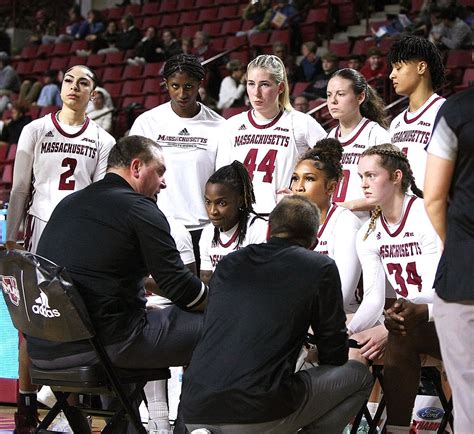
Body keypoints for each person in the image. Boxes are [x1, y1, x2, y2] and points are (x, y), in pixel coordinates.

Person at [29, 135, 207, 433]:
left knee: (143, 319)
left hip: (44, 349)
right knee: (220, 327)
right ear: (137, 167)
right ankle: (189, 429)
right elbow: (182, 290)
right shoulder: (140, 209)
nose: (163, 183)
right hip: (103, 346)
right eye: (160, 171)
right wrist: (224, 302)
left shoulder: (68, 204)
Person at [181, 195, 373, 433]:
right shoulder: (319, 267)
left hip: (192, 409)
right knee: (359, 376)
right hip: (255, 411)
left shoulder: (229, 262)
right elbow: (334, 353)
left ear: (269, 229)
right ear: (313, 242)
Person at [6, 65, 115, 434]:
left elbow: (102, 199)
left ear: (93, 94)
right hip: (39, 233)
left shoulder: (103, 140)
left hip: (80, 238)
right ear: (60, 86)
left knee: (76, 323)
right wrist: (10, 238)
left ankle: (72, 409)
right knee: (30, 326)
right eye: (69, 80)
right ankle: (25, 406)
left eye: (83, 82)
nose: (74, 87)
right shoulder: (34, 129)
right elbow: (20, 188)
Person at [353, 144, 441, 432]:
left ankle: (397, 428)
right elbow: (373, 300)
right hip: (412, 320)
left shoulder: (428, 215)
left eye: (371, 175)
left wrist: (386, 326)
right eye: (360, 176)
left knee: (400, 330)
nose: (364, 183)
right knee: (392, 329)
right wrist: (347, 332)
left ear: (396, 176)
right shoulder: (368, 232)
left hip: (448, 312)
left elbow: (435, 290)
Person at [130, 54, 225, 271]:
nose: (182, 93)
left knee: (203, 296)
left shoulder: (220, 126)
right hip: (161, 224)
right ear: (166, 84)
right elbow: (133, 177)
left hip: (206, 226)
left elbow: (224, 181)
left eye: (189, 86)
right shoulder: (147, 123)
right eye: (175, 86)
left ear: (200, 84)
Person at [217, 54, 326, 215]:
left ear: (280, 87)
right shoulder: (232, 125)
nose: (256, 93)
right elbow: (222, 178)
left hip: (284, 217)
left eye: (265, 85)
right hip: (241, 218)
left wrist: (305, 194)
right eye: (251, 84)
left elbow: (335, 164)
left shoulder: (301, 123)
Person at [424, 87, 474, 434]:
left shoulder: (457, 109)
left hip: (463, 275)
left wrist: (450, 244)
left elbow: (434, 197)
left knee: (470, 399)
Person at [290, 138, 362, 314]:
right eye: (295, 178)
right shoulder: (291, 224)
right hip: (302, 315)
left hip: (346, 319)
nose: (298, 187)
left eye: (309, 179)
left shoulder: (346, 224)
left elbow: (341, 296)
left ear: (331, 188)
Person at [388, 34, 445, 190]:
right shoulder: (396, 123)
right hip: (400, 211)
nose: (391, 74)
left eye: (398, 67)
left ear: (421, 67)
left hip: (430, 209)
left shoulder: (445, 113)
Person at [326, 68, 390, 205]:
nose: (333, 100)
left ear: (360, 97)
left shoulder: (376, 136)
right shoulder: (329, 137)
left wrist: (347, 206)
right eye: (329, 95)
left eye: (341, 94)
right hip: (332, 222)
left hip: (365, 223)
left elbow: (390, 192)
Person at [200, 160, 267, 285]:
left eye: (221, 203)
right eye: (208, 202)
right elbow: (206, 278)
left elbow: (262, 283)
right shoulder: (208, 232)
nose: (212, 211)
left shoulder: (259, 230)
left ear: (240, 201)